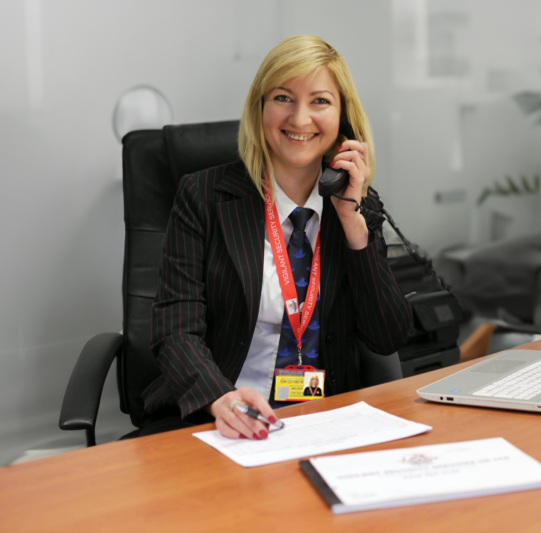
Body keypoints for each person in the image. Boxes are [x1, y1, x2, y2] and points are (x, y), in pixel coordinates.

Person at [137, 35, 414, 440]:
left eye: (320, 101)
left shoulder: (354, 204)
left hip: (324, 419)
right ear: (260, 108)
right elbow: (175, 330)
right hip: (219, 417)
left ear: (343, 120)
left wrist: (355, 226)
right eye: (284, 98)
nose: (300, 119)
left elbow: (387, 336)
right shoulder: (204, 197)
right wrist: (221, 399)